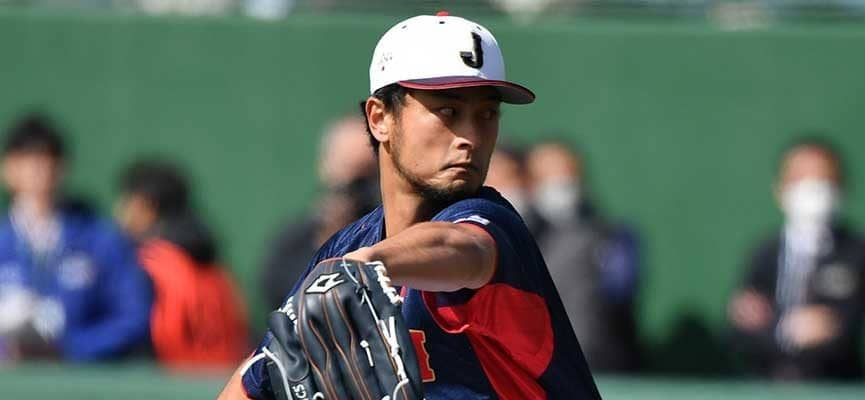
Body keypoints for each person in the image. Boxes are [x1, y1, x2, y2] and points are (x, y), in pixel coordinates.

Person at [219, 12, 601, 399]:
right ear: (379, 118)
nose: (470, 136)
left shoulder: (491, 223)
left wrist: (366, 265)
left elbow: (461, 247)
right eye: (448, 112)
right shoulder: (345, 248)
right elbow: (248, 385)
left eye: (486, 114)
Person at [0, 113, 152, 361]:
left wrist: (67, 349)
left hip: (79, 376)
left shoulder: (100, 240)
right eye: (28, 160)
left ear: (62, 168)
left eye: (49, 159)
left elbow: (134, 317)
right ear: (8, 168)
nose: (39, 170)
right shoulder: (5, 242)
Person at [728, 138, 865, 380]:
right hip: (764, 384)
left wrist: (772, 324)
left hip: (835, 386)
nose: (812, 189)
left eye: (823, 180)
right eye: (800, 179)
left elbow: (843, 330)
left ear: (841, 187)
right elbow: (741, 328)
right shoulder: (763, 253)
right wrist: (789, 330)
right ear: (780, 188)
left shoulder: (860, 252)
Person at [116, 159, 249, 369]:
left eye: (127, 201)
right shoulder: (217, 269)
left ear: (147, 206)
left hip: (172, 379)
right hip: (225, 376)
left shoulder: (149, 263)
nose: (119, 211)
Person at [526, 140, 641, 372]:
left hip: (598, 365)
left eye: (568, 173)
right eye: (549, 175)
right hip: (533, 367)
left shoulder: (609, 235)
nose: (561, 182)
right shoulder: (514, 235)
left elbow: (619, 293)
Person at [259, 115, 378, 311]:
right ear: (324, 166)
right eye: (346, 169)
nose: (353, 190)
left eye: (366, 176)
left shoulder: (387, 236)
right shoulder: (293, 243)